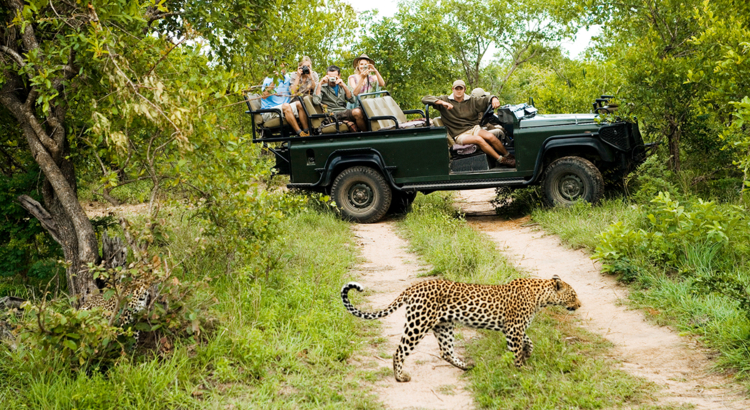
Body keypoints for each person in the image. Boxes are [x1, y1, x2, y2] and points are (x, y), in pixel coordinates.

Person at [422, 80, 516, 167]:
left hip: (473, 128)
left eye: (461, 88)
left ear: (464, 89)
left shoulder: (472, 101)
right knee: (479, 140)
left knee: (490, 137)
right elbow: (425, 98)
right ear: (453, 89)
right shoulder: (445, 99)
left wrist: (494, 98)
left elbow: (485, 99)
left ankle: (509, 156)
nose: (458, 91)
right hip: (459, 134)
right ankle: (502, 160)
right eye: (456, 88)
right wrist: (442, 103)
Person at [260, 64, 310, 137]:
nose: (283, 68)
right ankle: (300, 133)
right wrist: (275, 80)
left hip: (285, 108)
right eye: (281, 66)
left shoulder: (287, 79)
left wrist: (299, 75)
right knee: (286, 106)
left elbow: (294, 92)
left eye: (284, 66)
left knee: (299, 104)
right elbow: (263, 96)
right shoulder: (268, 79)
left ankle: (307, 131)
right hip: (269, 111)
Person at [313, 65, 366, 132]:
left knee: (364, 110)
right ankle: (366, 134)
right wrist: (320, 84)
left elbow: (352, 100)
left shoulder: (341, 85)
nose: (332, 79)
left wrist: (344, 86)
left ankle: (372, 132)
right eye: (330, 77)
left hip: (343, 111)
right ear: (326, 75)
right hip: (331, 114)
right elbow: (316, 101)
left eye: (334, 77)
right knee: (357, 112)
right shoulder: (321, 86)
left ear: (339, 75)